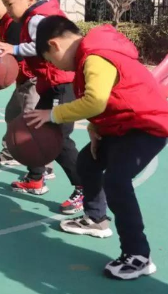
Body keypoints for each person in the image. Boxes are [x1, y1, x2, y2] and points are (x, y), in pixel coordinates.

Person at [27, 15, 168, 280]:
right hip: (121, 126)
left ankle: (138, 255)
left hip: (146, 126)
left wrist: (52, 115)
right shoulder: (88, 56)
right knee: (87, 163)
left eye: (48, 59)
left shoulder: (95, 57)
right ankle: (96, 219)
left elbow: (96, 101)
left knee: (117, 180)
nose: (52, 65)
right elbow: (111, 99)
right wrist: (95, 129)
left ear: (54, 45)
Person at [0, 0, 83, 214]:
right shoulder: (39, 15)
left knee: (59, 139)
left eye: (10, 4)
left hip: (61, 84)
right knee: (34, 128)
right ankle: (35, 178)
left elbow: (43, 45)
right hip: (50, 84)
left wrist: (14, 48)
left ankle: (84, 188)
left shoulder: (37, 18)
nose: (8, 11)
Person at [0, 0, 55, 177]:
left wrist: (2, 55)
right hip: (23, 79)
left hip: (34, 80)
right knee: (12, 114)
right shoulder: (7, 22)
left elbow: (24, 51)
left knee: (33, 123)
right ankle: (10, 153)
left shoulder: (19, 23)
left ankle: (45, 165)